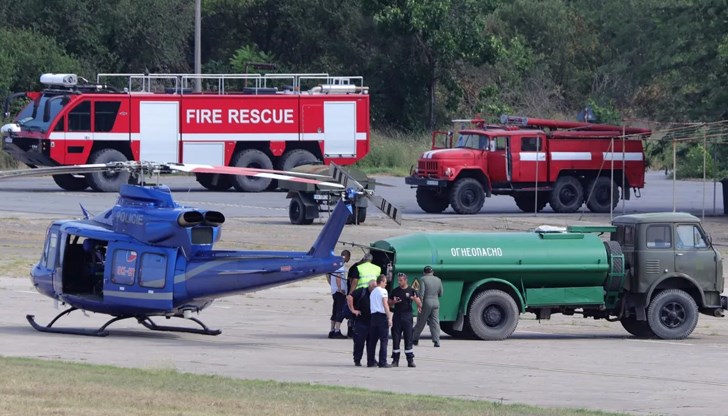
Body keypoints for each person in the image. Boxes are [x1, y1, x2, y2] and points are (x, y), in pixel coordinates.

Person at [389, 272, 422, 367]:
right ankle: (395, 360)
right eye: (398, 280)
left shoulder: (412, 291)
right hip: (397, 316)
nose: (399, 282)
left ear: (405, 280)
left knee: (408, 338)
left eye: (401, 280)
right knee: (396, 338)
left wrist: (415, 300)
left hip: (407, 316)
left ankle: (410, 360)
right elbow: (388, 303)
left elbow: (420, 304)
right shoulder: (395, 291)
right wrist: (393, 302)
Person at [347, 279, 376, 367]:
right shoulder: (362, 291)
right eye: (373, 287)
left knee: (371, 343)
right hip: (361, 321)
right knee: (359, 342)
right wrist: (353, 310)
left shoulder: (377, 293)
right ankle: (357, 360)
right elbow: (349, 297)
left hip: (372, 322)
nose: (375, 288)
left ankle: (371, 361)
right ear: (369, 286)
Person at [413, 265, 443, 347]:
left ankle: (414, 339)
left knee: (421, 321)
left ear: (424, 272)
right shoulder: (438, 280)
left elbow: (421, 293)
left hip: (426, 302)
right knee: (435, 322)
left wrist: (419, 304)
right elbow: (441, 293)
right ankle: (436, 341)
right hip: (436, 302)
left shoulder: (422, 279)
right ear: (432, 272)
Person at [367, 274, 392, 368]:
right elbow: (385, 304)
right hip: (381, 316)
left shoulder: (372, 292)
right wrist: (389, 317)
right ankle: (383, 362)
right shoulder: (383, 291)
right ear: (381, 282)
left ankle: (370, 361)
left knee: (372, 341)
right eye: (385, 282)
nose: (386, 284)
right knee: (383, 340)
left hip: (373, 317)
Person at [328, 249, 350, 339]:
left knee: (335, 310)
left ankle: (332, 330)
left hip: (334, 291)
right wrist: (340, 289)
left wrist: (331, 285)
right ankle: (337, 331)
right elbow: (338, 278)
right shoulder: (340, 266)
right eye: (349, 256)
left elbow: (328, 275)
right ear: (346, 256)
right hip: (339, 292)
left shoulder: (334, 265)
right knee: (340, 311)